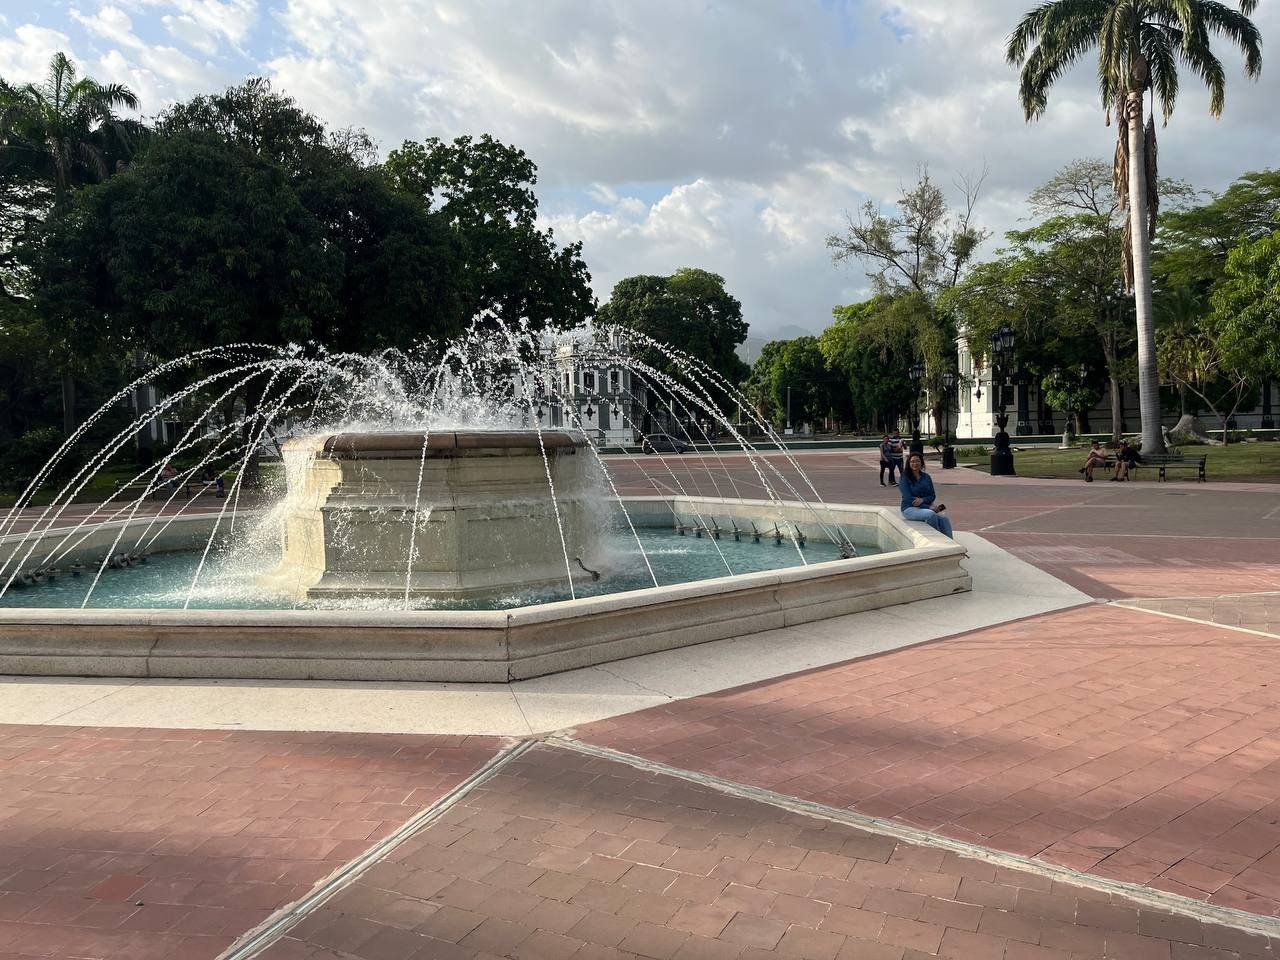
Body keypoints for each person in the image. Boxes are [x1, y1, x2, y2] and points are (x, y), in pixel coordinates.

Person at [898, 452, 953, 538]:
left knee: (944, 518)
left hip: (926, 505)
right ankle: (936, 539)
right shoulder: (904, 477)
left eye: (917, 461)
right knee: (931, 514)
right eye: (912, 462)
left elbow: (932, 495)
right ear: (908, 464)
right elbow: (908, 497)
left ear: (922, 463)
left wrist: (923, 500)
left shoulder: (926, 477)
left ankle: (951, 544)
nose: (915, 464)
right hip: (909, 508)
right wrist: (929, 507)